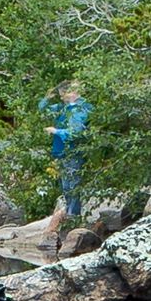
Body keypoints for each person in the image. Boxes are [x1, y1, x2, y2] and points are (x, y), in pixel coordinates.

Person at [41, 78, 91, 218]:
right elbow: (43, 110)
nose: (62, 97)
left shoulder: (81, 108)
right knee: (66, 186)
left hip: (74, 152)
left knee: (73, 186)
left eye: (64, 94)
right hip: (62, 152)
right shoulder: (64, 108)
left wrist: (56, 131)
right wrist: (47, 98)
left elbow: (76, 133)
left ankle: (73, 217)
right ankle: (69, 216)